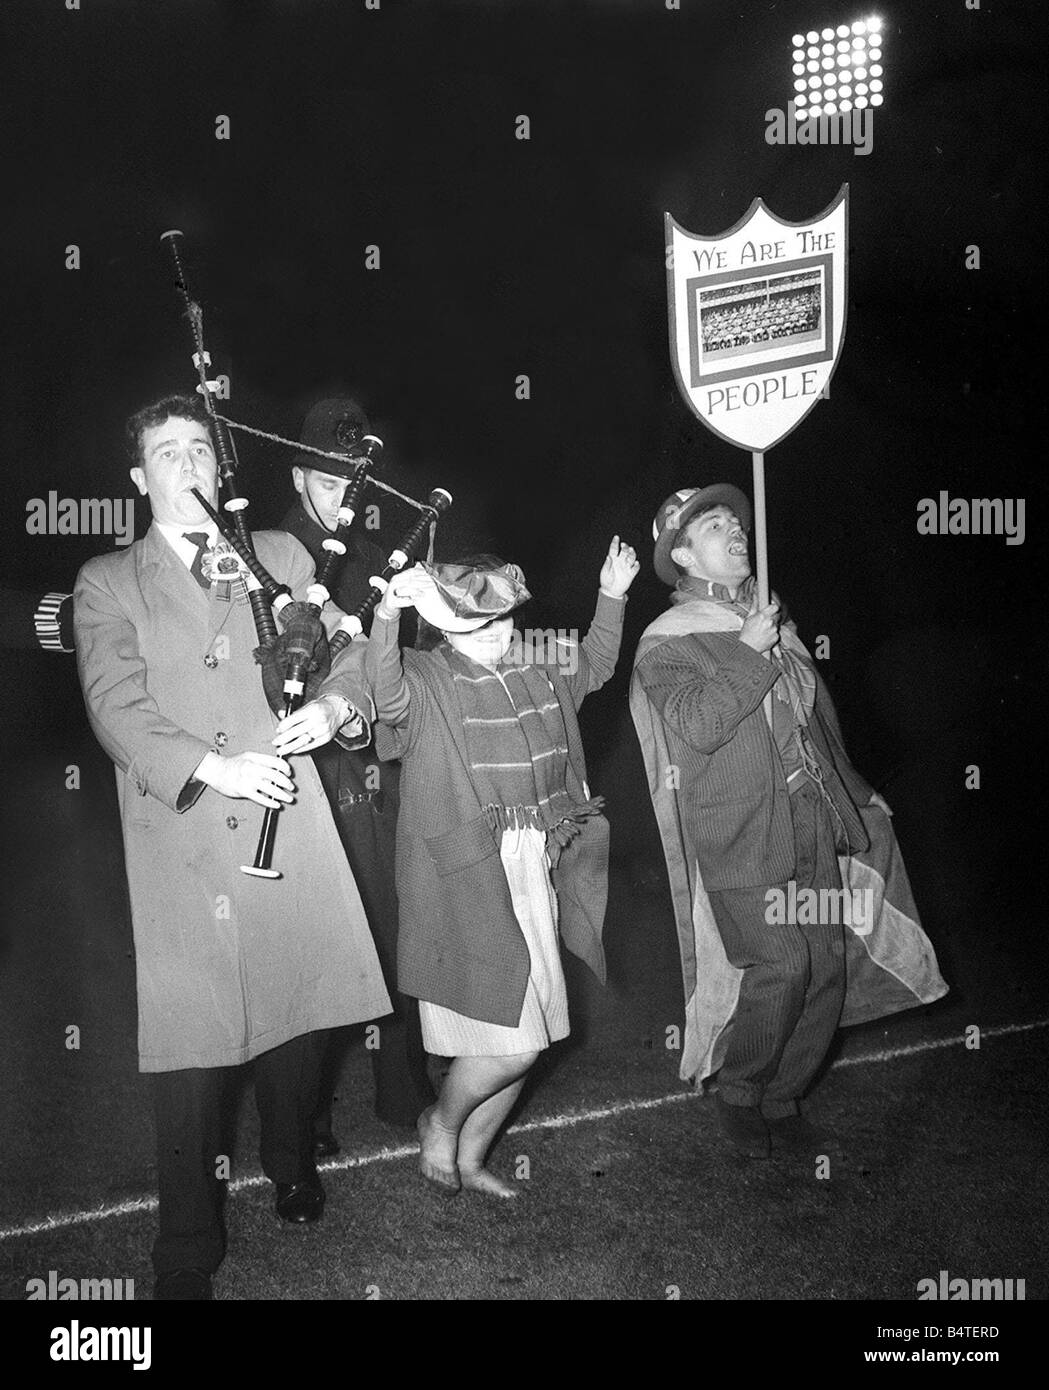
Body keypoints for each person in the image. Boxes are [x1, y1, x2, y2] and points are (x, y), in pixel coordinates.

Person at [74, 394, 391, 1299]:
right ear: (139, 480)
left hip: (284, 821)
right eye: (167, 453)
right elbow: (115, 706)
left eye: (202, 451)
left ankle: (292, 1158)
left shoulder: (279, 556)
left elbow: (345, 649)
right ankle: (186, 1243)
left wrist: (336, 706)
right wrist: (214, 769)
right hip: (184, 832)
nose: (190, 465)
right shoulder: (107, 580)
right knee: (190, 1051)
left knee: (296, 1008)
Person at [630, 486, 947, 1161]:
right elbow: (696, 727)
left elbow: (812, 725)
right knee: (782, 962)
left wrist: (858, 793)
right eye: (715, 526)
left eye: (738, 522)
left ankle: (784, 1096)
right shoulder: (667, 644)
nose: (736, 532)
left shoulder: (771, 620)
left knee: (825, 967)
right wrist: (747, 651)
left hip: (811, 816)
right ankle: (742, 1093)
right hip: (741, 829)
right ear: (681, 553)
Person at [366, 540, 639, 1197]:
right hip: (465, 878)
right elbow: (384, 694)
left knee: (534, 1036)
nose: (497, 634)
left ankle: (470, 1156)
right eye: (479, 621)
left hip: (532, 864)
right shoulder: (426, 676)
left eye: (505, 618)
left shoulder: (536, 667)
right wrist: (384, 618)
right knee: (511, 1045)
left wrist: (613, 594)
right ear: (444, 624)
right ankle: (440, 1119)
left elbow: (596, 663)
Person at [280, 397, 434, 1140]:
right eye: (331, 477)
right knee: (317, 938)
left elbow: (404, 662)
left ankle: (402, 1092)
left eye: (354, 478)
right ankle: (304, 1118)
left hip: (376, 770)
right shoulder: (271, 550)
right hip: (305, 772)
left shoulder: (375, 559)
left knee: (391, 924)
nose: (346, 490)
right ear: (300, 477)